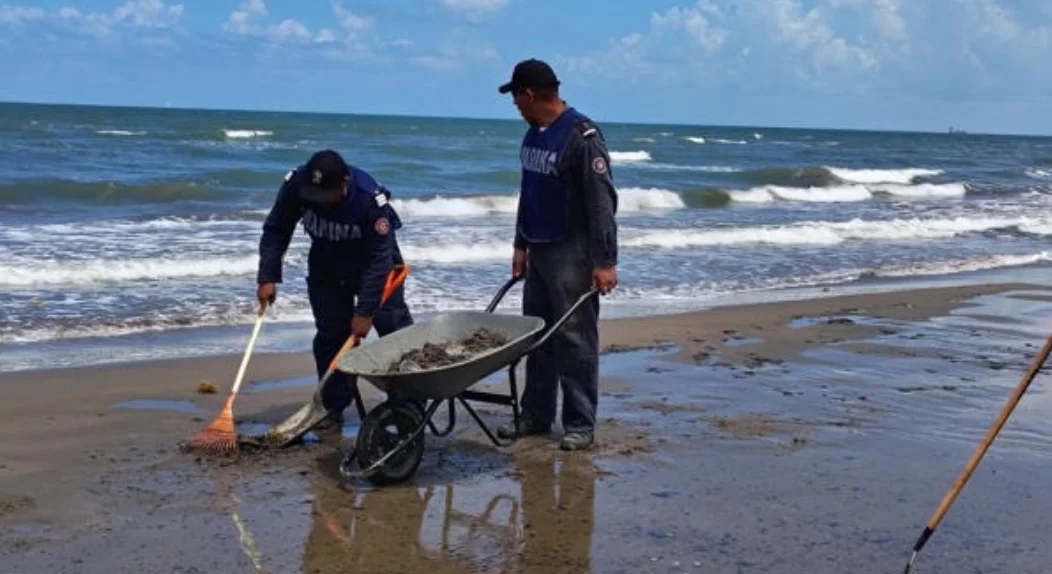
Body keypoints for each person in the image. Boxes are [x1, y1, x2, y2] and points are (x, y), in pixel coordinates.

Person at [495, 58, 619, 451]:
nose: (514, 105)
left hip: (572, 251)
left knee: (575, 339)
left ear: (530, 95)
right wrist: (520, 244)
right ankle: (536, 414)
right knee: (537, 335)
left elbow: (601, 202)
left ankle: (580, 423)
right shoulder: (533, 136)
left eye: (516, 97)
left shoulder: (582, 137)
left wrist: (605, 261)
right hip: (538, 248)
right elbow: (528, 192)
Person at [256, 149, 414, 432]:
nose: (320, 201)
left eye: (326, 195)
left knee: (394, 330)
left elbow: (380, 260)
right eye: (315, 195)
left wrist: (365, 311)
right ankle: (331, 406)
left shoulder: (369, 198)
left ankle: (409, 404)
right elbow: (277, 228)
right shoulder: (297, 183)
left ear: (344, 183)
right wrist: (268, 276)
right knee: (331, 334)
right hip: (326, 262)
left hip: (372, 265)